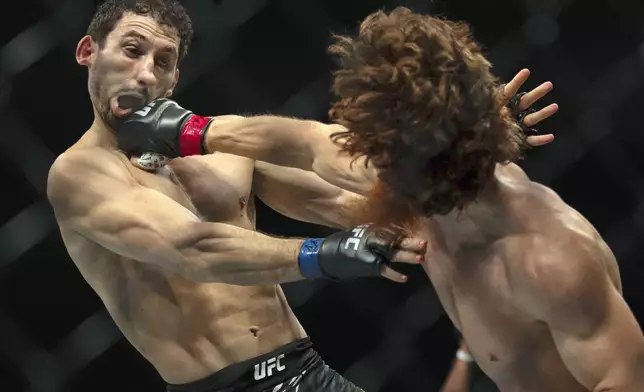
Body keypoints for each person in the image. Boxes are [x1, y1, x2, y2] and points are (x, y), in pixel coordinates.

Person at [117, 6, 644, 392]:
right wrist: (190, 131)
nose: (350, 149)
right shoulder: (427, 186)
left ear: (406, 155)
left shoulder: (550, 260)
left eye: (368, 144)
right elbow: (296, 143)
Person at [46, 1, 428, 392]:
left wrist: (439, 157)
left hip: (308, 371)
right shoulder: (78, 173)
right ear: (88, 52)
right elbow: (195, 249)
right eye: (132, 50)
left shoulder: (220, 147)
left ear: (173, 79)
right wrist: (325, 254)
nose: (145, 74)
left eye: (163, 62)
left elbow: (343, 203)